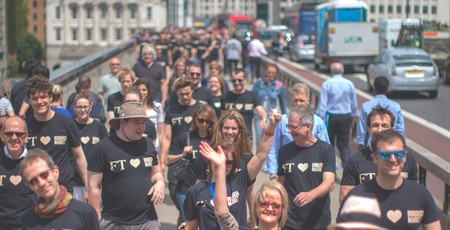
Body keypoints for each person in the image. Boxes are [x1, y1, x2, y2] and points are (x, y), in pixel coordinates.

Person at [185, 110, 282, 229]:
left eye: (229, 162)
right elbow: (191, 226)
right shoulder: (195, 191)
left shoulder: (240, 179)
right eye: (219, 161)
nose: (224, 165)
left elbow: (260, 156)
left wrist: (271, 128)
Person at [88, 102, 165, 229]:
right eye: (136, 122)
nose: (141, 127)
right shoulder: (103, 148)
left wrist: (160, 183)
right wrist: (97, 221)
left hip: (147, 221)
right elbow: (93, 187)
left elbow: (156, 173)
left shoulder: (148, 144)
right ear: (122, 123)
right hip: (114, 222)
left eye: (143, 122)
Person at [344, 130, 441, 229]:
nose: (393, 159)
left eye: (398, 154)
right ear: (374, 158)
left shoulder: (421, 195)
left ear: (405, 157)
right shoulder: (356, 197)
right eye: (385, 155)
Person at [340, 105, 417, 202]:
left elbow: (414, 193)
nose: (380, 129)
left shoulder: (406, 157)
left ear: (392, 128)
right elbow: (344, 198)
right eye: (375, 125)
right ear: (368, 129)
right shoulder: (355, 160)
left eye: (385, 125)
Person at [25, 76, 87, 194]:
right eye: (35, 98)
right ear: (29, 100)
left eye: (43, 97)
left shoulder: (66, 123)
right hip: (34, 191)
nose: (39, 102)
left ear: (51, 97)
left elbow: (79, 156)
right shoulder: (25, 126)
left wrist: (88, 186)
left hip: (63, 188)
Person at [277, 107, 336, 230]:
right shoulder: (284, 151)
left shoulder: (326, 150)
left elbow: (329, 182)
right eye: (289, 126)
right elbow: (281, 183)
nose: (290, 131)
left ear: (308, 126)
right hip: (290, 223)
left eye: (294, 127)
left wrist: (311, 195)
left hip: (317, 222)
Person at [20, 149, 99, 229]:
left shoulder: (84, 212)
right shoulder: (29, 219)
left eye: (44, 175)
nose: (41, 183)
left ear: (55, 172)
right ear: (29, 186)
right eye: (33, 181)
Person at [266, 83, 330, 181]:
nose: (298, 103)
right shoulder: (282, 121)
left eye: (302, 100)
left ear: (308, 101)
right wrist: (273, 172)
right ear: (291, 101)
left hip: (312, 174)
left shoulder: (318, 122)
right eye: (295, 100)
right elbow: (274, 147)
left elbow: (326, 149)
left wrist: (328, 175)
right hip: (287, 173)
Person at [159, 78, 201, 223]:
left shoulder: (200, 109)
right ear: (177, 92)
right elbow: (166, 136)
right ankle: (184, 216)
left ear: (192, 91)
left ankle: (187, 220)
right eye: (182, 94)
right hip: (176, 159)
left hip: (197, 159)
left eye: (188, 93)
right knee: (175, 193)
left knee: (194, 199)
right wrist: (162, 161)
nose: (185, 97)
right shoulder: (171, 111)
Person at [169, 105, 217, 228]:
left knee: (205, 222)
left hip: (207, 189)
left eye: (207, 121)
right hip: (185, 188)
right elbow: (168, 159)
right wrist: (182, 154)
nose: (204, 124)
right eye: (201, 120)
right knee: (189, 222)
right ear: (195, 120)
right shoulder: (186, 137)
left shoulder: (214, 140)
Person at [316, 62, 358, 166]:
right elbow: (354, 104)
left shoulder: (327, 84)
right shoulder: (349, 84)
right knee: (344, 143)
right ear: (343, 71)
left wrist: (318, 117)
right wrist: (352, 117)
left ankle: (329, 167)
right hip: (345, 116)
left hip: (331, 116)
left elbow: (322, 104)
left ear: (331, 71)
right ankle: (347, 167)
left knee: (329, 142)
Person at [0, 116, 35, 229]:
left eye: (19, 134)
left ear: (26, 137)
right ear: (2, 136)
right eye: (9, 133)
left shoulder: (37, 161)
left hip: (31, 224)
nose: (14, 137)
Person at [73, 94, 108, 201]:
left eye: (85, 107)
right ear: (74, 108)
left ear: (90, 107)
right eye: (79, 107)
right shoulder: (70, 126)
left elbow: (106, 151)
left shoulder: (99, 127)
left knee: (94, 213)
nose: (83, 110)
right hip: (75, 180)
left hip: (95, 178)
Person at [357, 76, 404, 150]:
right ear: (387, 88)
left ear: (374, 88)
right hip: (390, 145)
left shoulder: (366, 106)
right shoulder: (395, 106)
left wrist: (360, 143)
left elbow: (362, 127)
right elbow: (400, 128)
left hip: (371, 145)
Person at [222, 68, 267, 140]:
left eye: (239, 80)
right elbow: (222, 116)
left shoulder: (251, 96)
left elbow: (261, 111)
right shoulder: (226, 97)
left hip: (246, 136)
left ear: (245, 80)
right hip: (229, 136)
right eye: (234, 80)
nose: (237, 83)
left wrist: (263, 120)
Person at [252, 64, 287, 143]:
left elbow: (282, 103)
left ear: (277, 74)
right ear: (266, 72)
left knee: (270, 140)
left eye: (273, 73)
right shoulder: (259, 83)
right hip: (259, 115)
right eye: (269, 72)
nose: (271, 74)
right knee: (259, 139)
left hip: (272, 117)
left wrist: (285, 117)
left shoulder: (279, 85)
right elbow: (252, 98)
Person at [133, 78, 164, 142]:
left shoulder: (157, 106)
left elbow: (160, 129)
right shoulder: (132, 107)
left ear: (148, 91)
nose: (141, 92)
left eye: (144, 90)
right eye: (138, 90)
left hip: (153, 140)